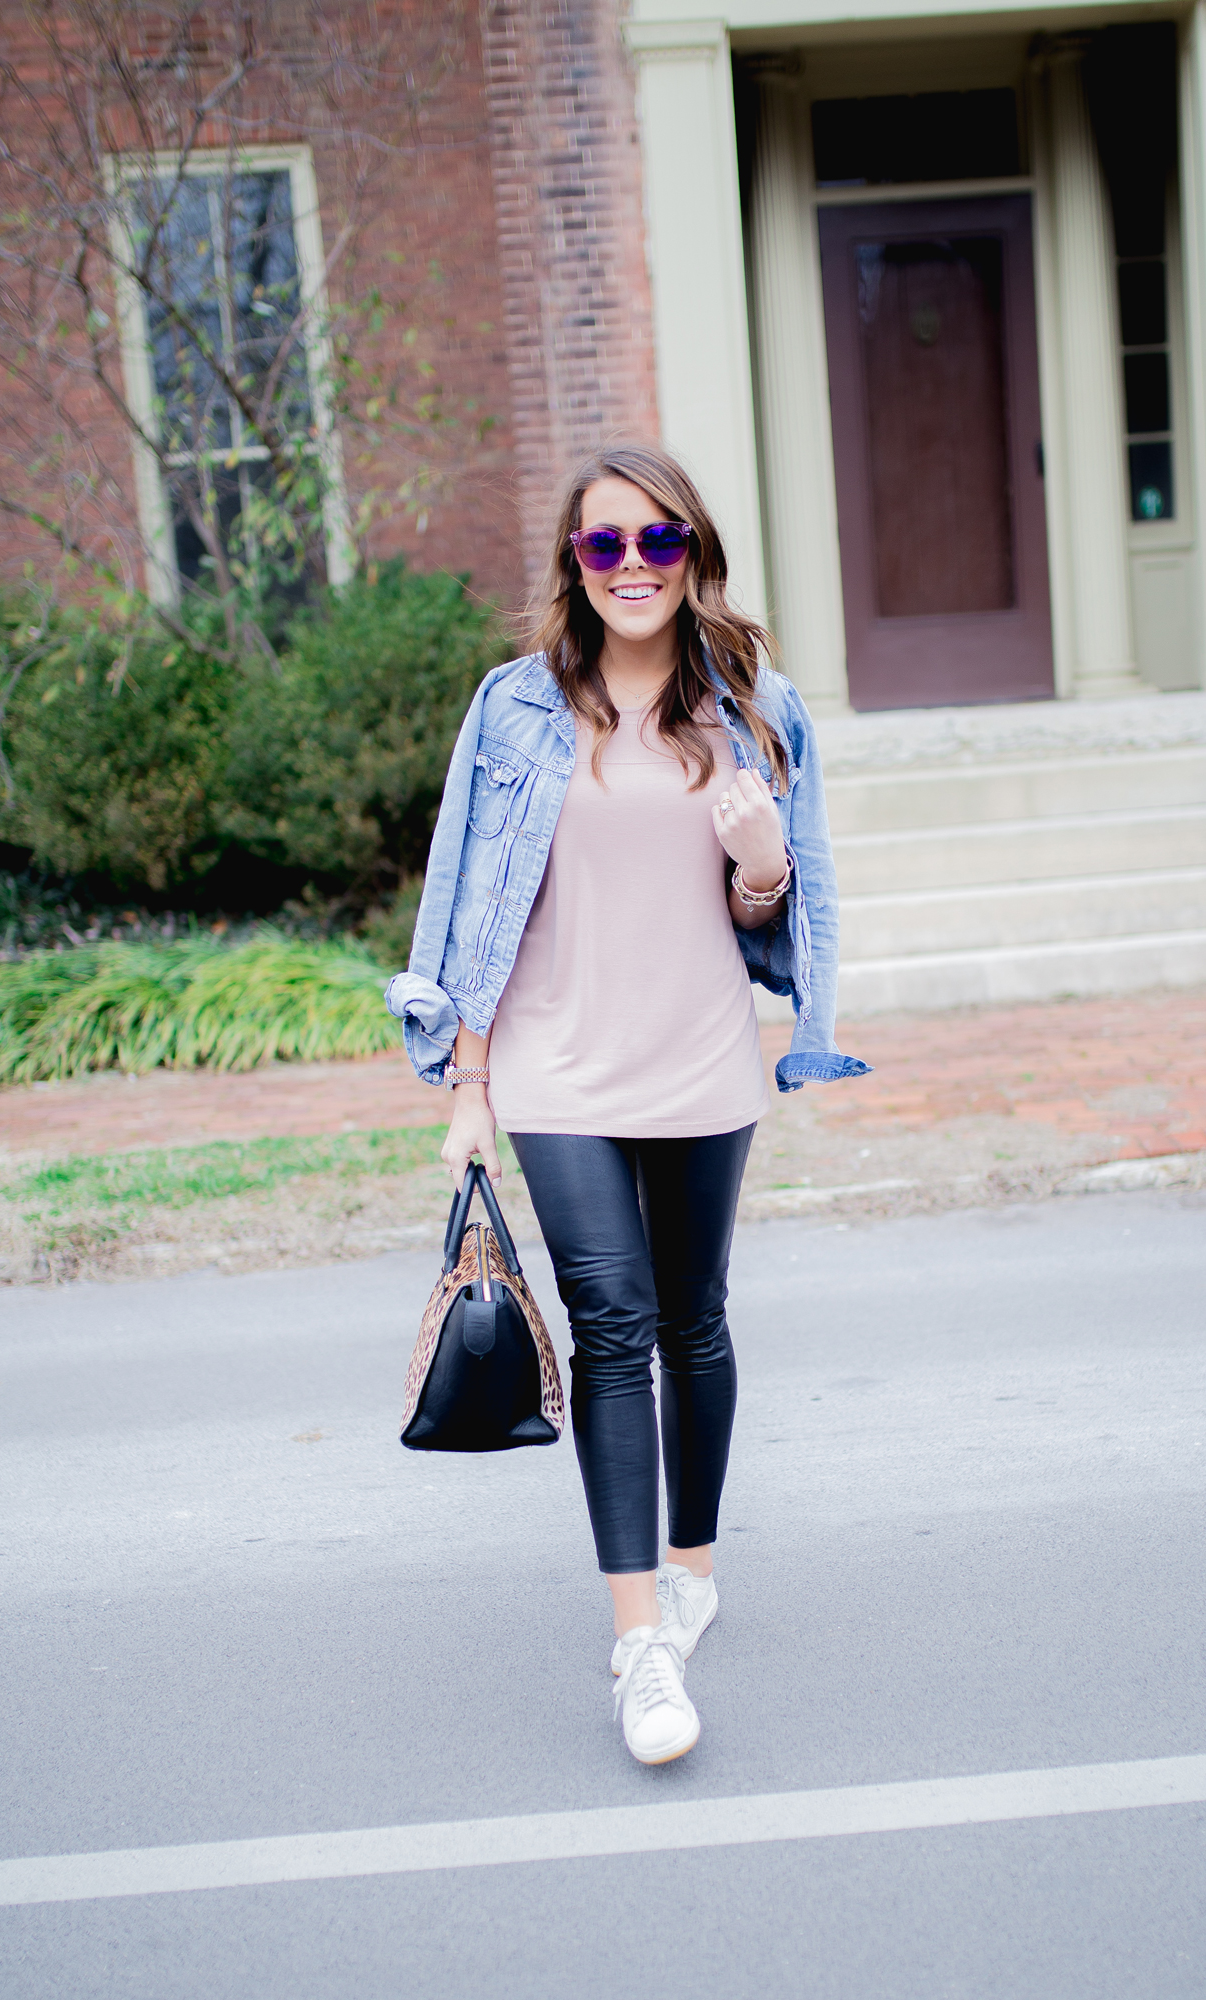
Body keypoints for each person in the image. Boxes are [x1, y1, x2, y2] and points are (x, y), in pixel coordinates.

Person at [387, 441, 868, 1766]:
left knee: (690, 1320)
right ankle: (636, 1643)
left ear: (693, 553)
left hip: (701, 1055)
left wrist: (758, 858)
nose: (635, 567)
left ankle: (693, 1567)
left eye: (659, 542)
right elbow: (470, 892)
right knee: (611, 1322)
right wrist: (467, 1080)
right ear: (572, 565)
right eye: (606, 545)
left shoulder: (754, 705)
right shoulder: (517, 708)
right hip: (556, 1063)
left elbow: (781, 899)